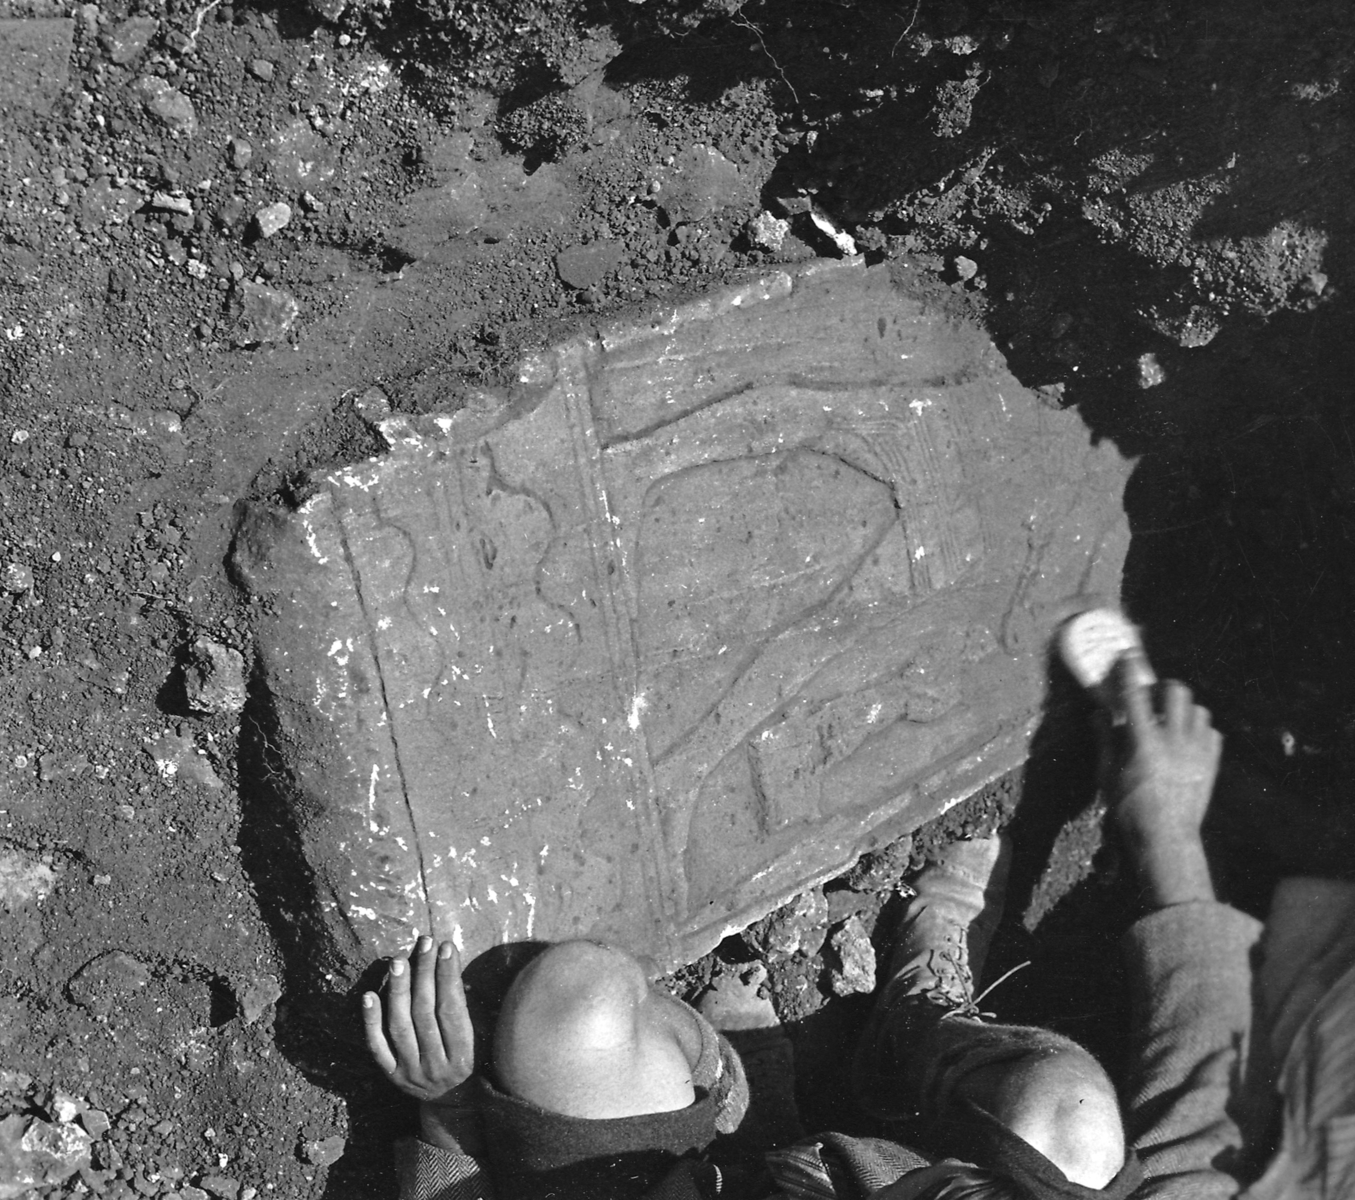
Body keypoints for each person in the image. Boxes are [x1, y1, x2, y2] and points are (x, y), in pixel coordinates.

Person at [360, 612, 1341, 1198]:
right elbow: (1202, 1125)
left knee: (570, 1007)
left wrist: (447, 1114)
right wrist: (1161, 827)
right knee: (1071, 1120)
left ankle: (739, 1095)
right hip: (863, 1157)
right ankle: (897, 1043)